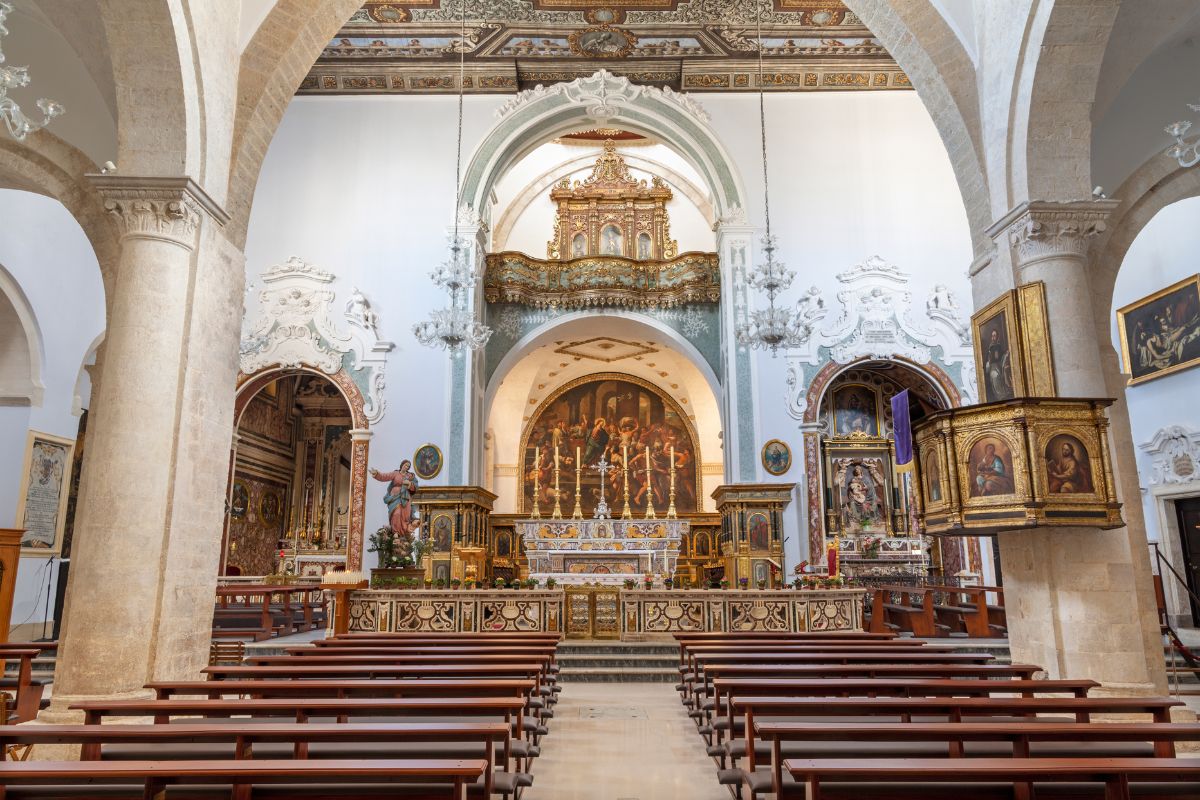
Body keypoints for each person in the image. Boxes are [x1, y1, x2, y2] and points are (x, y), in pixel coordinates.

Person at [370, 460, 419, 537]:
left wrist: (409, 484)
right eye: (406, 465)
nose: (407, 467)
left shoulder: (410, 476)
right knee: (396, 513)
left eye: (408, 466)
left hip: (405, 497)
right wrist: (376, 474)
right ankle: (396, 532)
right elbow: (385, 477)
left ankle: (404, 534)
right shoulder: (395, 473)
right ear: (402, 465)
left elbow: (416, 486)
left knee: (405, 516)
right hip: (395, 497)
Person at [984, 328, 1014, 401]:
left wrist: (1005, 354)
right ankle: (998, 396)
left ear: (997, 337)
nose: (993, 337)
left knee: (997, 379)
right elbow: (988, 358)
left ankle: (1001, 395)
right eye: (992, 336)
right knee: (993, 381)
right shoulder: (990, 346)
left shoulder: (998, 346)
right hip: (992, 367)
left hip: (997, 366)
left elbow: (998, 357)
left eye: (995, 335)